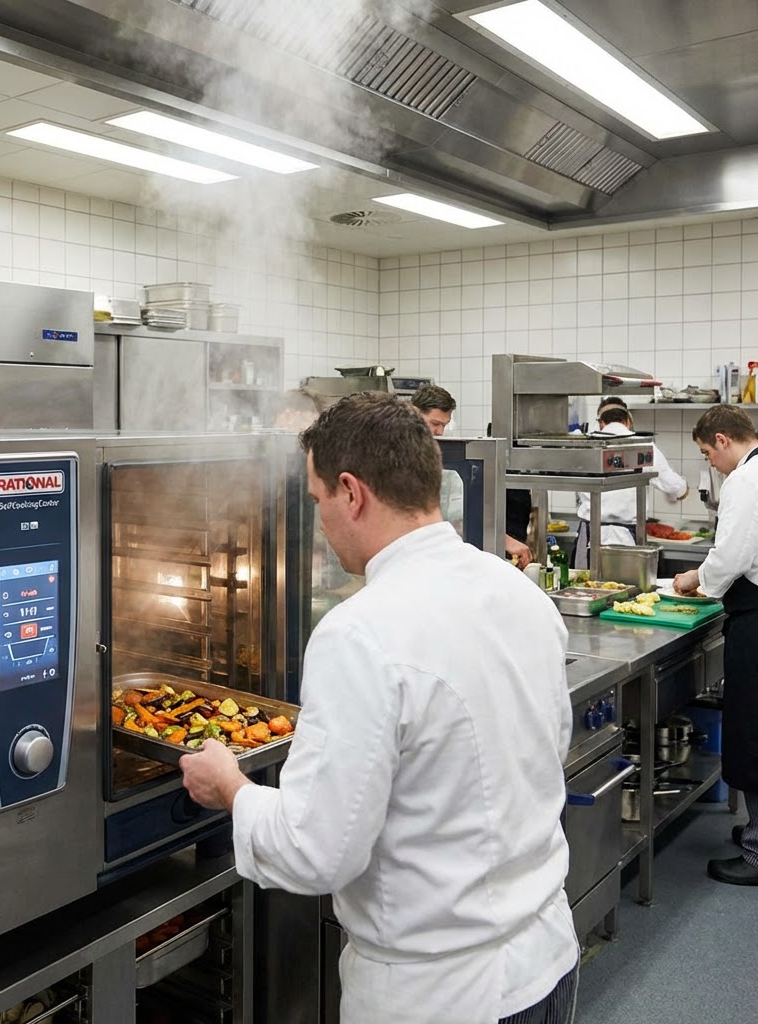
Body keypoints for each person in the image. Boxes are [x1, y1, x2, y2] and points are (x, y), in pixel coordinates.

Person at [180, 392, 579, 1024]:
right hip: (546, 961)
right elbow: (547, 753)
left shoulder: (358, 634)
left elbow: (315, 852)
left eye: (316, 503)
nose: (318, 521)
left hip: (436, 996)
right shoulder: (518, 592)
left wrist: (230, 788)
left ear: (351, 492)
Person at [673, 405, 758, 885]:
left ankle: (757, 853)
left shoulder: (745, 481)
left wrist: (696, 579)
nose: (711, 463)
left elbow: (731, 556)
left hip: (755, 615)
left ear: (723, 440)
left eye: (708, 453)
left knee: (752, 731)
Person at [412, 384, 533, 568]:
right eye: (435, 424)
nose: (440, 433)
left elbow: (461, 517)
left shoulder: (446, 465)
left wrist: (503, 540)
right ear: (413, 414)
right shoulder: (395, 460)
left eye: (443, 425)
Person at [572, 398, 688, 568]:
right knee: (627, 589)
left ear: (601, 423)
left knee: (585, 588)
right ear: (627, 421)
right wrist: (683, 491)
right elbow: (677, 489)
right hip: (628, 537)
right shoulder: (643, 445)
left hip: (590, 533)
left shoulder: (584, 445)